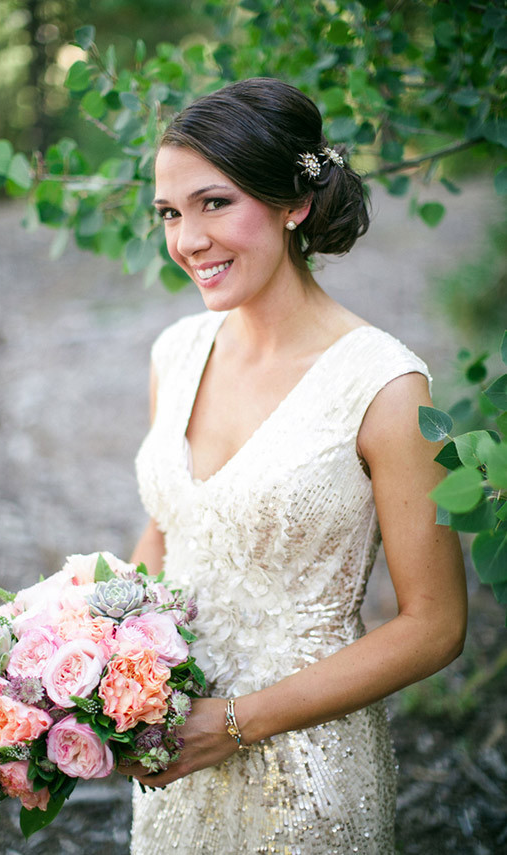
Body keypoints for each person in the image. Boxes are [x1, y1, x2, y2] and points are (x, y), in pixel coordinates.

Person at [121, 78, 467, 854]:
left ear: (294, 203)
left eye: (215, 203)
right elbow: (166, 531)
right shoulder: (174, 354)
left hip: (308, 774)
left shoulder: (386, 387)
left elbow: (436, 625)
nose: (188, 239)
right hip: (175, 752)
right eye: (171, 214)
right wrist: (100, 664)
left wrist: (239, 723)